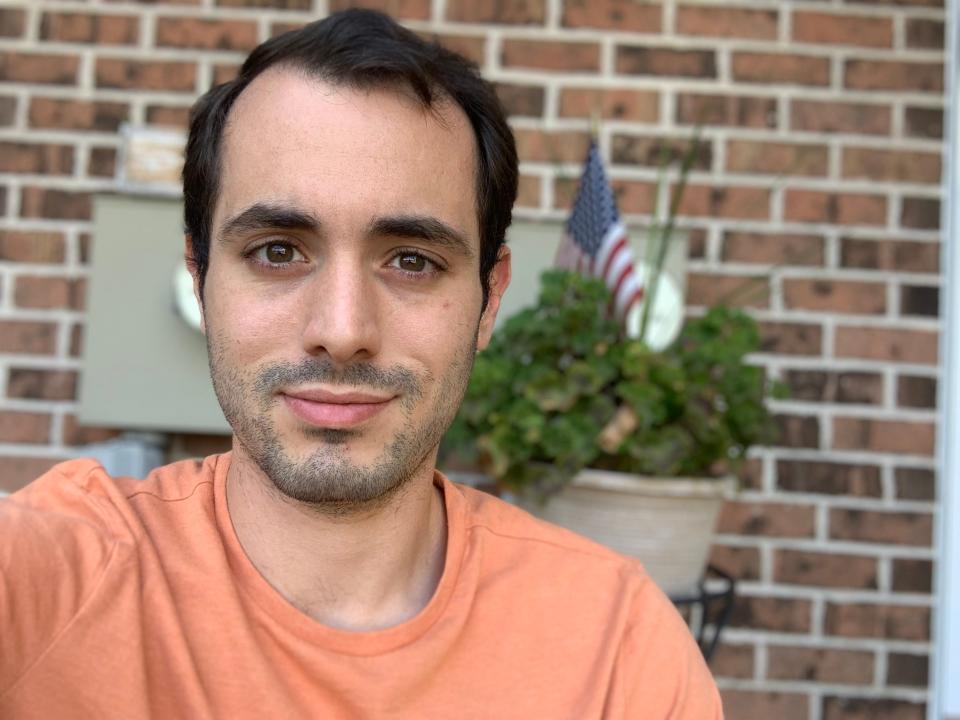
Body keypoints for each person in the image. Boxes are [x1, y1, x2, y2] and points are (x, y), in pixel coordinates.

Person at [0, 9, 723, 718]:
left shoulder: (616, 651)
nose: (342, 331)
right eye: (277, 251)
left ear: (489, 296)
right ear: (200, 277)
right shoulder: (47, 577)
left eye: (412, 261)